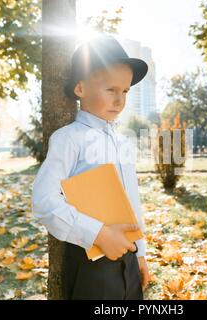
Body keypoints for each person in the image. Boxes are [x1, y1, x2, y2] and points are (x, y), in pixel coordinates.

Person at [32, 35, 149, 300]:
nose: (120, 101)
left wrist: (140, 253)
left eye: (126, 91)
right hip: (90, 262)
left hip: (128, 257)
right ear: (81, 89)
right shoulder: (68, 138)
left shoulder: (123, 142)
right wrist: (98, 234)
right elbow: (44, 201)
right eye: (111, 90)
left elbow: (132, 201)